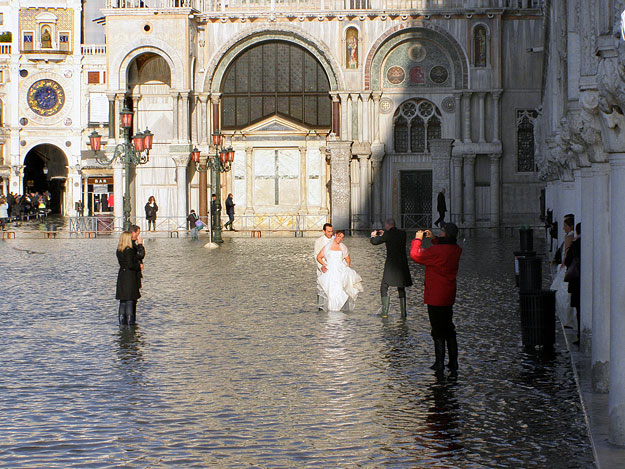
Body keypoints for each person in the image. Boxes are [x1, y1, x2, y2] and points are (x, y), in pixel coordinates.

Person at [410, 223, 462, 373]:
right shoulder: (456, 249)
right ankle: (453, 362)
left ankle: (439, 363)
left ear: (445, 233)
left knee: (437, 329)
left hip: (435, 295)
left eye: (442, 231)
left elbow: (415, 255)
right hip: (448, 294)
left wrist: (417, 240)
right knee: (449, 328)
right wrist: (434, 239)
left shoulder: (437, 251)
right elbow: (446, 246)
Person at [370, 219, 413, 318]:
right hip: (402, 264)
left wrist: (373, 235)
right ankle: (403, 313)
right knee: (401, 287)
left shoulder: (387, 234)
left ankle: (385, 313)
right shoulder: (403, 234)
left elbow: (374, 242)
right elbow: (393, 236)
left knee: (384, 286)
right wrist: (384, 233)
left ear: (387, 225)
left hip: (391, 264)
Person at [316, 230, 363, 312]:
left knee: (340, 289)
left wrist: (347, 267)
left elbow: (348, 259)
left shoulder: (343, 247)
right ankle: (332, 309)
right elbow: (319, 257)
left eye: (342, 237)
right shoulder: (328, 246)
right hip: (330, 269)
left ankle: (338, 308)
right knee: (331, 289)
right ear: (335, 235)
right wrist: (324, 264)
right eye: (339, 236)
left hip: (340, 269)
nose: (340, 239)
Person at [116, 231, 143, 326]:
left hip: (122, 276)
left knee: (123, 301)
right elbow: (131, 264)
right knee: (130, 301)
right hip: (129, 277)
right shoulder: (129, 250)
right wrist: (138, 266)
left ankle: (122, 324)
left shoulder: (119, 250)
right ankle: (130, 324)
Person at [565, 222, 581, 344]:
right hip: (584, 280)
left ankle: (581, 334)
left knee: (579, 308)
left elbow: (568, 260)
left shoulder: (575, 244)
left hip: (576, 280)